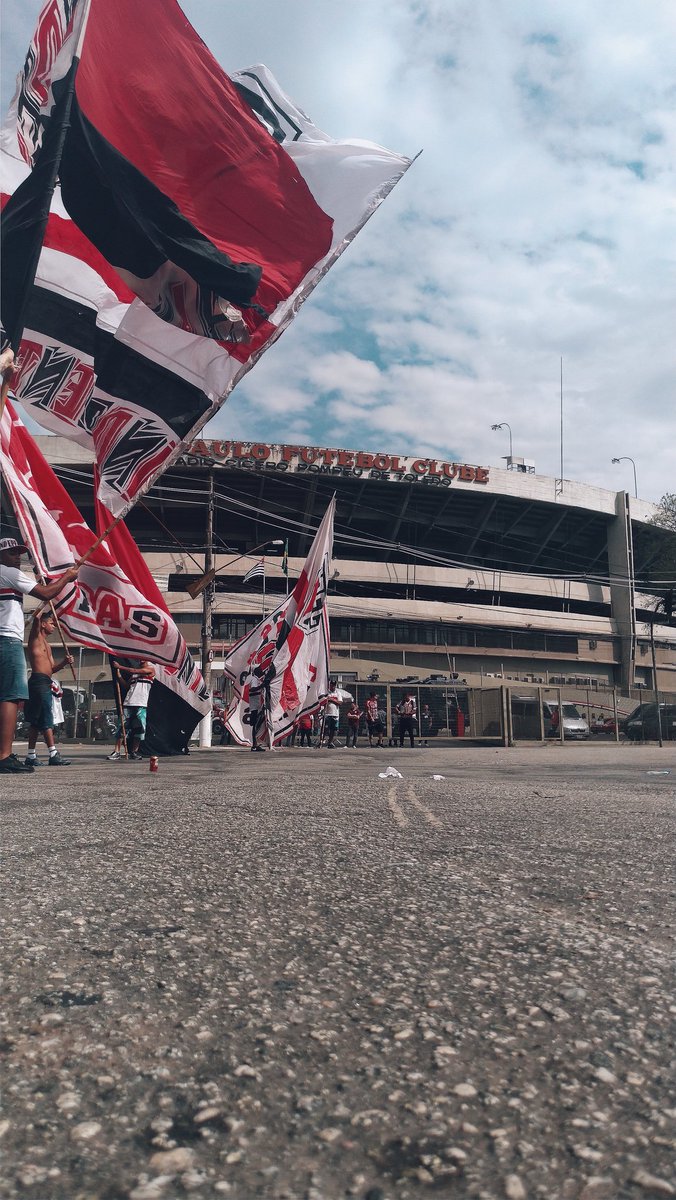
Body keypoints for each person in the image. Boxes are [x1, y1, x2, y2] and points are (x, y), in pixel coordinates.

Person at [0, 537, 80, 774]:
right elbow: (46, 594)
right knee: (10, 696)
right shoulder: (8, 573)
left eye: (19, 552)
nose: (18, 557)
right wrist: (66, 577)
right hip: (7, 639)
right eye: (12, 552)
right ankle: (4, 755)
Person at [24, 613, 74, 767]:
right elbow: (37, 618)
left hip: (45, 681)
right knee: (46, 718)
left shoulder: (48, 645)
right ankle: (53, 753)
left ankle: (31, 755)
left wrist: (64, 662)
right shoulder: (35, 638)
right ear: (44, 624)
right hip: (38, 682)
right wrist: (46, 598)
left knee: (36, 721)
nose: (54, 625)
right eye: (52, 623)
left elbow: (52, 669)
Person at [108, 660, 155, 759]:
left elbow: (133, 670)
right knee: (122, 727)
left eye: (143, 658)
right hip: (129, 703)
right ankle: (116, 751)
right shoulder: (134, 676)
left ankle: (134, 751)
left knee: (139, 729)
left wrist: (120, 666)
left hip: (141, 704)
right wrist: (118, 674)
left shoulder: (150, 670)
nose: (141, 660)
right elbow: (126, 685)